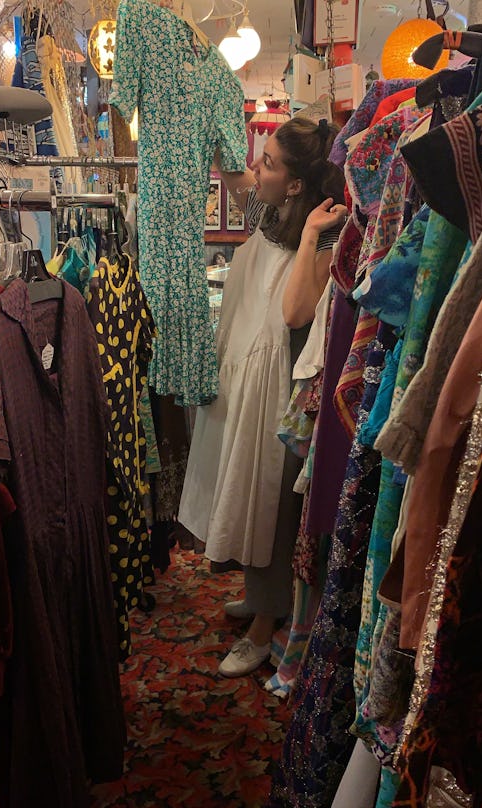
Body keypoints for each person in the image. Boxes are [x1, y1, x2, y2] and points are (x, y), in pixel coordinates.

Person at [179, 116, 347, 677]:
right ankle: (258, 598)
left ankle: (264, 623)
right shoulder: (269, 210)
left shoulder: (321, 233)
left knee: (272, 505)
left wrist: (306, 240)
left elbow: (296, 311)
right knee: (245, 488)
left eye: (269, 163)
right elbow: (238, 181)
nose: (257, 169)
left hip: (282, 386)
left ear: (296, 184)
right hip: (246, 371)